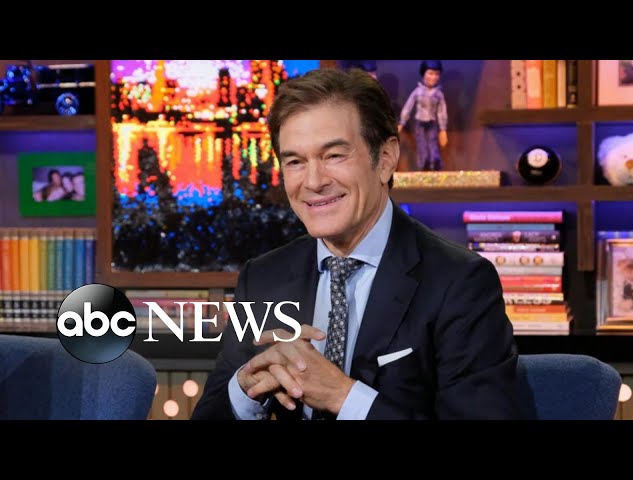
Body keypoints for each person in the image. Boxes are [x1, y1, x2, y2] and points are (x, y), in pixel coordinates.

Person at [191, 67, 519, 420]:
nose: (313, 182)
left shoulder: (460, 282)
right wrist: (246, 388)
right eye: (295, 162)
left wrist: (342, 396)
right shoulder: (263, 278)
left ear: (386, 159)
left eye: (334, 155)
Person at [398, 60, 448, 171]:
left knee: (433, 145)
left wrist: (443, 129)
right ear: (424, 74)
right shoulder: (418, 92)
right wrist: (402, 122)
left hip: (432, 123)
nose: (433, 77)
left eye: (436, 74)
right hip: (420, 123)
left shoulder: (438, 94)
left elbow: (441, 111)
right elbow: (408, 106)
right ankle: (423, 166)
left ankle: (435, 165)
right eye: (430, 73)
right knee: (422, 146)